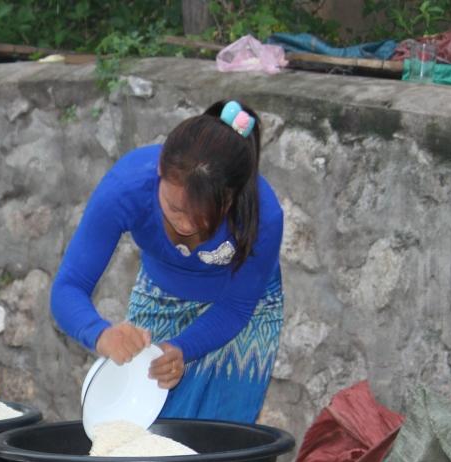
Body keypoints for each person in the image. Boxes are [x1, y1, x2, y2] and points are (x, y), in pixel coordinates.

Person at [50, 100, 284, 423]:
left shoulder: (263, 216)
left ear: (230, 199)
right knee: (140, 426)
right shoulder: (126, 188)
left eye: (202, 217)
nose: (184, 225)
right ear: (160, 170)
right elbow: (68, 286)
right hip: (159, 295)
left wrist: (182, 348)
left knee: (220, 437)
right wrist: (100, 334)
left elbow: (236, 307)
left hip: (240, 315)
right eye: (174, 208)